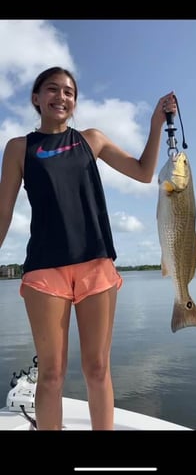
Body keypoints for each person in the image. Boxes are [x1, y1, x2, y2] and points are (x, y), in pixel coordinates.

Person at [0, 66, 177, 430]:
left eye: (68, 92)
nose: (61, 97)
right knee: (50, 374)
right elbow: (3, 211)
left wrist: (156, 123)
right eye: (52, 90)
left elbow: (144, 173)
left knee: (97, 369)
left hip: (96, 265)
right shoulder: (19, 147)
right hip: (45, 270)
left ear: (75, 101)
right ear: (36, 99)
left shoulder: (91, 140)